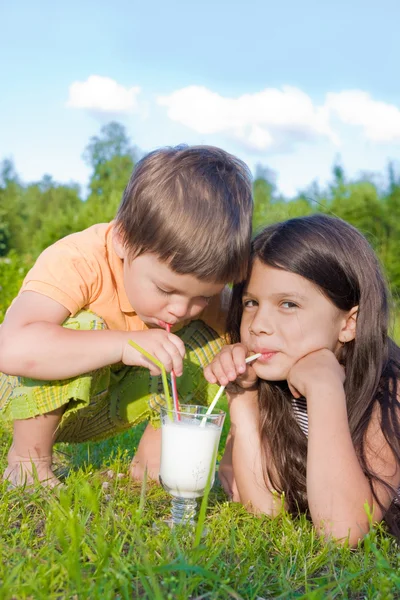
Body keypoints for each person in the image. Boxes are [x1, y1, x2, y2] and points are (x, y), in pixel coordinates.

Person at [0, 145, 253, 488]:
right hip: (19, 397)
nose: (181, 309)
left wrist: (236, 354)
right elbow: (11, 346)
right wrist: (123, 344)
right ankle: (28, 464)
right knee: (85, 324)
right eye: (165, 290)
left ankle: (152, 466)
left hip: (101, 406)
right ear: (123, 240)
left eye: (204, 296)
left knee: (209, 346)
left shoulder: (196, 299)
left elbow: (253, 348)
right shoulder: (79, 260)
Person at [204, 214, 400, 546]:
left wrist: (325, 389)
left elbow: (342, 532)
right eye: (251, 302)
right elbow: (262, 509)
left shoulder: (388, 390)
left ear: (349, 323)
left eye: (288, 304)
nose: (258, 325)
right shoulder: (276, 380)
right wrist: (244, 396)